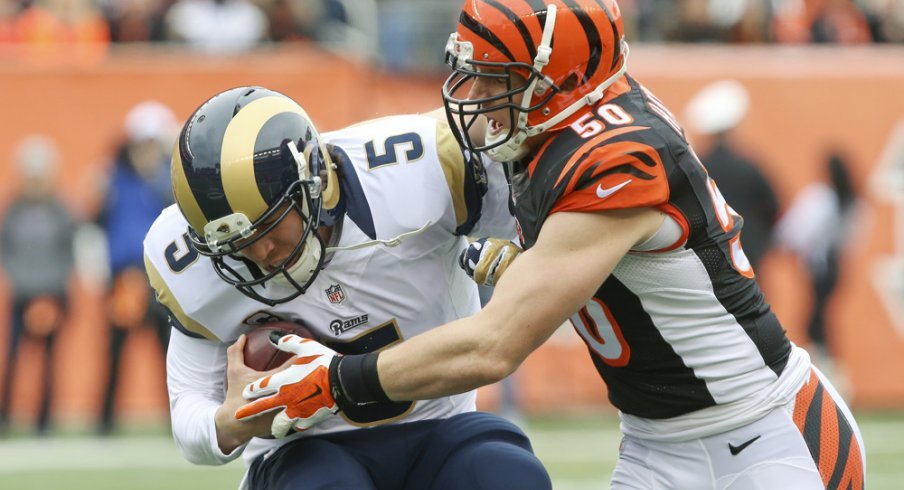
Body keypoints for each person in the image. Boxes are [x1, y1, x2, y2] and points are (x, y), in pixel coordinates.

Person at [235, 2, 867, 489]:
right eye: (472, 75)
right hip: (655, 446)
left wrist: (335, 380)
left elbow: (493, 345)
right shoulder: (547, 133)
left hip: (766, 437)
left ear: (561, 79)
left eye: (497, 80)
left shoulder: (617, 154)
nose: (477, 100)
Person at [143, 86, 550, 489]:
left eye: (268, 224)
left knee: (506, 476)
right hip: (307, 454)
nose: (259, 251)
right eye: (235, 245)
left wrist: (523, 257)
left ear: (314, 181)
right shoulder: (185, 261)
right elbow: (189, 414)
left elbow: (549, 243)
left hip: (440, 427)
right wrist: (230, 423)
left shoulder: (423, 168)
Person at [96, 100, 177, 435]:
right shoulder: (114, 180)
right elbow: (101, 222)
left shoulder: (169, 182)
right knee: (115, 352)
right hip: (124, 279)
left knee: (169, 352)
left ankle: (176, 418)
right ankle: (105, 421)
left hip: (159, 279)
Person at [0, 135, 77, 435]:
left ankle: (43, 420)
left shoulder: (61, 210)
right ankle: (5, 416)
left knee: (49, 360)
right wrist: (22, 282)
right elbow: (6, 250)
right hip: (23, 294)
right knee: (13, 356)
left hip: (53, 295)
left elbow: (69, 251)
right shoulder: (13, 210)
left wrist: (50, 287)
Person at [774, 151, 860, 382]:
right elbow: (853, 240)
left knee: (815, 322)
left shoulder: (822, 198)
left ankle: (828, 374)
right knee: (818, 319)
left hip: (819, 267)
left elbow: (800, 231)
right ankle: (829, 370)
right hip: (835, 269)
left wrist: (788, 245)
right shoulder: (851, 202)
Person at [684, 79, 780, 270]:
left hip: (707, 250)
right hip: (747, 248)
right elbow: (773, 206)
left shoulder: (697, 166)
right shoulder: (747, 165)